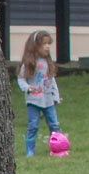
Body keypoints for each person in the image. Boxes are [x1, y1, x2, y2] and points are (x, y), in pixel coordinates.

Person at [17, 29, 62, 157]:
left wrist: (56, 96)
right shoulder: (28, 64)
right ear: (35, 45)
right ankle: (30, 151)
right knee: (33, 126)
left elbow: (52, 81)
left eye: (48, 44)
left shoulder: (48, 63)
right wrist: (27, 88)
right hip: (34, 100)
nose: (47, 47)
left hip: (48, 100)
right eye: (44, 44)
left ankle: (57, 147)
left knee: (54, 124)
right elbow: (21, 78)